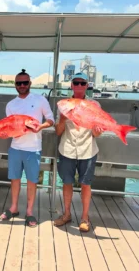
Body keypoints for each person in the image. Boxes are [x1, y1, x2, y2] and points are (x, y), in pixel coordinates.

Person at [0, 69, 54, 227]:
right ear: (15, 85)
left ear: (30, 83)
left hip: (33, 148)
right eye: (19, 83)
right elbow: (10, 127)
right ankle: (14, 207)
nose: (22, 85)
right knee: (14, 179)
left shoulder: (40, 100)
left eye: (25, 82)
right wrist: (6, 134)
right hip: (15, 148)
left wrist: (40, 127)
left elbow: (50, 119)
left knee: (32, 181)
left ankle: (29, 212)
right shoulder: (11, 105)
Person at [54, 72, 103, 232]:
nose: (79, 86)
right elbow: (58, 132)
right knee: (67, 182)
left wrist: (97, 130)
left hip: (88, 150)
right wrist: (62, 119)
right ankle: (66, 214)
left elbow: (96, 133)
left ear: (87, 86)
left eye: (83, 83)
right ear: (71, 85)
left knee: (86, 184)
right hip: (67, 149)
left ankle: (84, 218)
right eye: (76, 83)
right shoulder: (65, 104)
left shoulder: (94, 105)